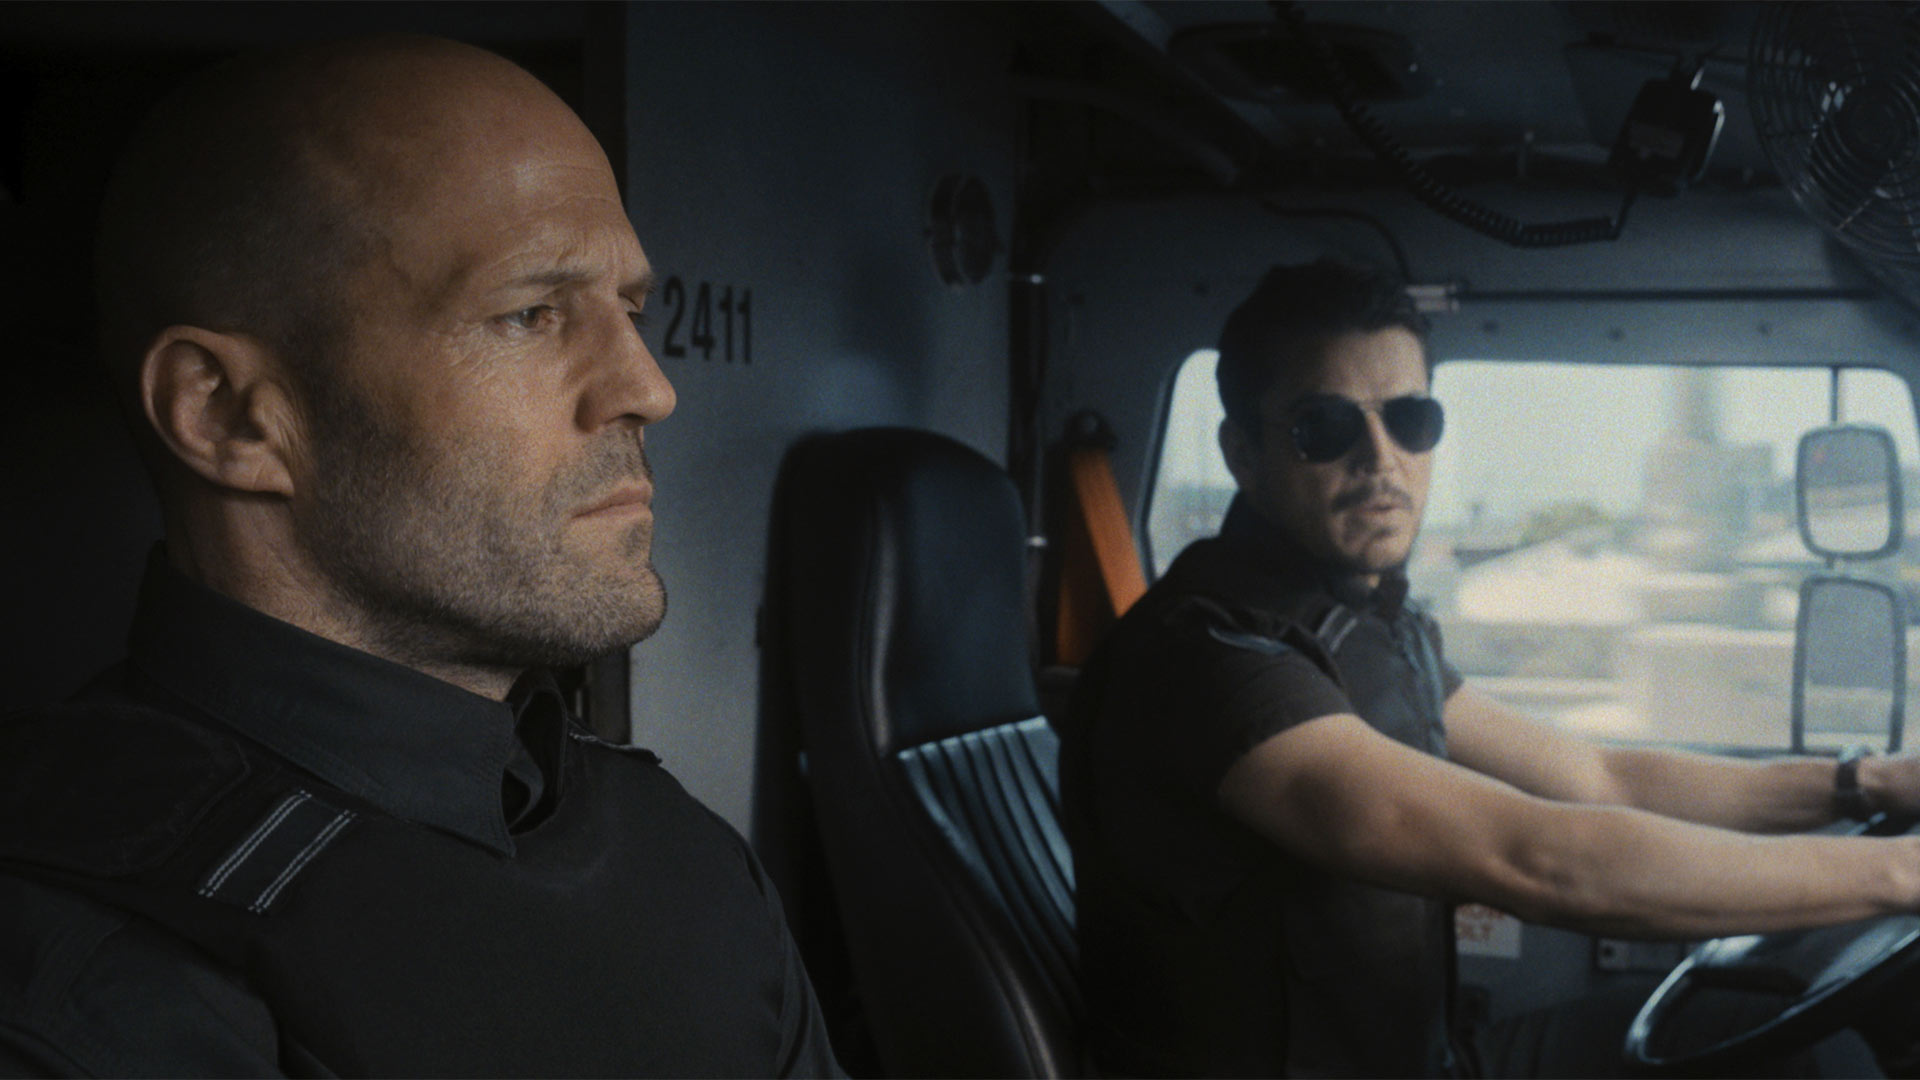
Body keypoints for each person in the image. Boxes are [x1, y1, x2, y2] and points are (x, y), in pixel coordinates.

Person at [0, 36, 839, 1077]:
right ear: (228, 416)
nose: (649, 388)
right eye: (528, 314)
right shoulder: (87, 993)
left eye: (629, 310)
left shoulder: (669, 844)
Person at [1058, 256, 1920, 1078]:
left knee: (1782, 1037)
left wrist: (1866, 784)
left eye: (1410, 419)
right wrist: (1900, 874)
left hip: (1422, 1063)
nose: (1380, 458)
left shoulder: (1365, 623)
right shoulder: (1209, 659)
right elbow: (1535, 858)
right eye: (1325, 426)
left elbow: (1601, 777)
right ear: (1244, 454)